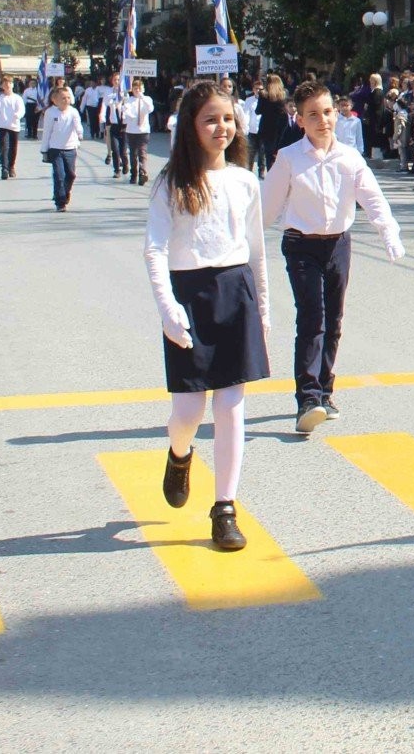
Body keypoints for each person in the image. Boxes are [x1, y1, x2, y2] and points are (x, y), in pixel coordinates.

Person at [145, 81, 268, 552]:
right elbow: (154, 250)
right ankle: (179, 454)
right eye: (210, 119)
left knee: (231, 405)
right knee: (188, 411)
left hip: (235, 292)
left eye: (228, 119)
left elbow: (256, 250)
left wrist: (265, 309)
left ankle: (225, 509)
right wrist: (168, 308)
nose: (221, 127)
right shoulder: (172, 183)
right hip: (189, 296)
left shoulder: (244, 179)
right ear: (191, 128)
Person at [261, 80, 406, 436]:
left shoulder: (349, 157)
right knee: (312, 318)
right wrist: (245, 247)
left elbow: (372, 198)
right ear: (300, 120)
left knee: (334, 320)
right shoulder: (289, 158)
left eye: (327, 112)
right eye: (313, 115)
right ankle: (307, 399)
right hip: (301, 246)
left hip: (338, 244)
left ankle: (325, 391)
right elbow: (265, 209)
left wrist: (389, 233)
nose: (323, 120)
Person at [41, 83, 83, 212]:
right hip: (56, 149)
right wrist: (44, 149)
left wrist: (80, 133)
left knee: (70, 175)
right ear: (55, 100)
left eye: (68, 98)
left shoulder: (73, 112)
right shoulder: (50, 112)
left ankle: (65, 192)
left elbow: (78, 125)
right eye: (63, 98)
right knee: (59, 175)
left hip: (70, 148)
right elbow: (47, 131)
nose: (66, 101)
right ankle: (60, 202)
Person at [120, 79, 155, 188]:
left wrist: (142, 97)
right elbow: (126, 118)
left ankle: (142, 173)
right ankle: (133, 174)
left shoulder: (147, 99)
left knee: (142, 152)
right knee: (133, 154)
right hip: (131, 130)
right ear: (132, 90)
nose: (137, 91)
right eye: (135, 89)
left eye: (139, 88)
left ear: (142, 89)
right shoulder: (129, 101)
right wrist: (124, 110)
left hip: (143, 131)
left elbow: (150, 109)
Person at [0, 76, 24, 180]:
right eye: (5, 83)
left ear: (12, 85)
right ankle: (4, 168)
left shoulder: (17, 98)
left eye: (9, 83)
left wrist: (18, 115)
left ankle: (11, 166)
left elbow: (22, 110)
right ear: (2, 86)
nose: (7, 85)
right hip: (2, 126)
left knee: (13, 148)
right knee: (4, 147)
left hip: (14, 126)